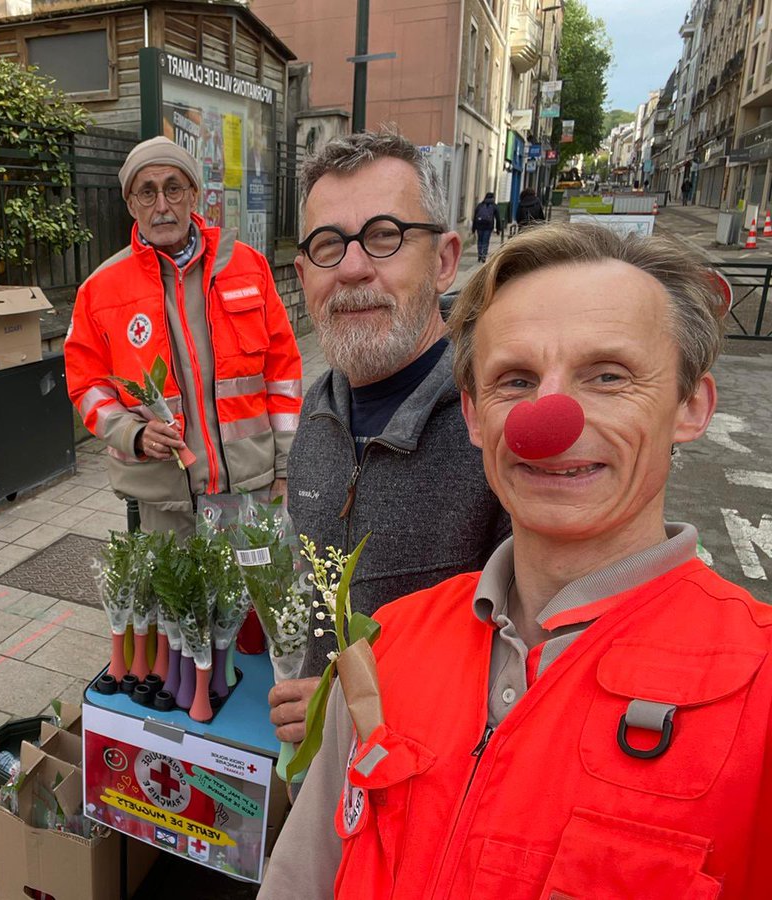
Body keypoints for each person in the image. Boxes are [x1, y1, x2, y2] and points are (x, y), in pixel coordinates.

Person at [259, 222, 772, 899]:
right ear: (474, 417)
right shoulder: (392, 642)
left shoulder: (760, 696)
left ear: (691, 406)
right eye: (514, 379)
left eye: (608, 375)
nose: (548, 418)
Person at [268, 132, 508, 744]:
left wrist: (357, 706)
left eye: (384, 236)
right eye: (328, 245)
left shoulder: (499, 434)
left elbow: (532, 662)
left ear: (446, 259)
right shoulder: (317, 412)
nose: (351, 269)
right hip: (321, 777)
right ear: (303, 274)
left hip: (435, 795)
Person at [65, 136, 303, 536]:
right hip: (164, 501)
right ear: (131, 205)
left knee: (256, 598)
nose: (162, 205)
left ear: (193, 195)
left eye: (173, 188)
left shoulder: (248, 268)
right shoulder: (100, 289)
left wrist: (286, 469)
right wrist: (133, 433)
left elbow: (283, 375)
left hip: (252, 488)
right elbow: (87, 386)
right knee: (178, 600)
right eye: (147, 192)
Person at [471, 191, 502, 262]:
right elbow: (498, 218)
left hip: (479, 226)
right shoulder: (494, 206)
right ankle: (484, 255)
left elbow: (475, 217)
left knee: (480, 240)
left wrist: (473, 229)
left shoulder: (480, 205)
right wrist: (498, 229)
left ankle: (479, 255)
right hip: (488, 226)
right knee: (486, 241)